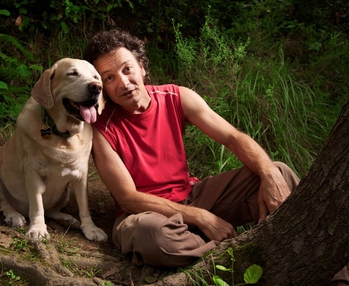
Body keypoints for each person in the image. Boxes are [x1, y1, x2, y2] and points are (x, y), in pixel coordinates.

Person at [83, 29, 348, 283]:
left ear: (141, 66)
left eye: (127, 69)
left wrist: (268, 173)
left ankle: (336, 278)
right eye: (109, 77)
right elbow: (128, 198)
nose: (123, 82)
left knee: (279, 171)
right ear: (101, 86)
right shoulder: (100, 129)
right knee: (152, 236)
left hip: (193, 195)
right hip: (145, 214)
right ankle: (242, 255)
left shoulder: (175, 96)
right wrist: (201, 217)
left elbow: (234, 138)